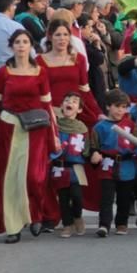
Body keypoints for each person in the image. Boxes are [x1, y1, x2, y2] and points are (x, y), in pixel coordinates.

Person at [0, 29, 60, 244]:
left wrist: (54, 134)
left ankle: (36, 214)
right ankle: (13, 226)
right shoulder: (4, 72)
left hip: (36, 130)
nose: (21, 46)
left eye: (25, 42)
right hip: (9, 128)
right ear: (12, 46)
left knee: (34, 177)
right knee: (10, 179)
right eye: (18, 42)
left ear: (31, 46)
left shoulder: (40, 72)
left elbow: (47, 105)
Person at [91, 89, 137, 236]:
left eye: (124, 107)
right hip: (108, 165)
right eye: (117, 106)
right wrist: (94, 155)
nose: (120, 110)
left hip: (126, 165)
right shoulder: (100, 127)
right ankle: (104, 225)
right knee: (106, 198)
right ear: (108, 106)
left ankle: (121, 223)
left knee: (124, 197)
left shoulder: (130, 126)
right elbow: (94, 146)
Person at [38, 19, 101, 127]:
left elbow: (85, 89)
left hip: (74, 112)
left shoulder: (79, 59)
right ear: (50, 37)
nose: (62, 38)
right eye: (58, 35)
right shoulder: (39, 61)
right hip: (51, 114)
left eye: (65, 34)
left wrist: (98, 112)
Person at [50, 93, 90, 238]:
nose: (69, 103)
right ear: (61, 106)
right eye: (66, 100)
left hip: (77, 166)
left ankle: (77, 216)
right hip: (60, 166)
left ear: (78, 110)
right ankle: (67, 224)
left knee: (77, 196)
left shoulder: (83, 129)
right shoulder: (55, 127)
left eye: (74, 102)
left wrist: (92, 155)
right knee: (63, 197)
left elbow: (86, 149)